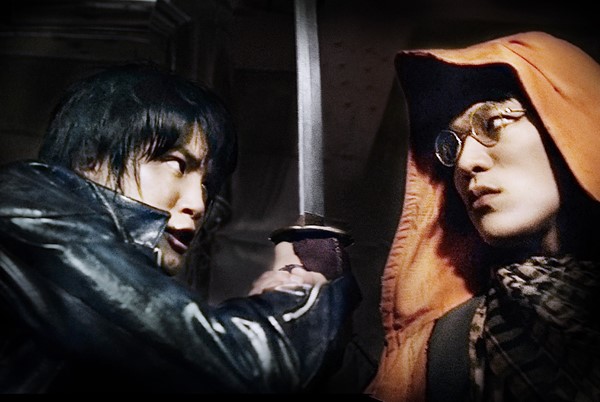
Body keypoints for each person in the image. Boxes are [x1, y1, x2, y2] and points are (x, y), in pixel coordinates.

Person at [0, 62, 359, 393]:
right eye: (176, 164)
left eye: (207, 185)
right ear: (89, 157)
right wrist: (303, 297)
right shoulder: (22, 204)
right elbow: (234, 367)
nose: (198, 204)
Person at [365, 31, 600, 401]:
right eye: (452, 146)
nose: (465, 163)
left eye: (491, 124)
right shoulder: (444, 353)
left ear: (574, 122)